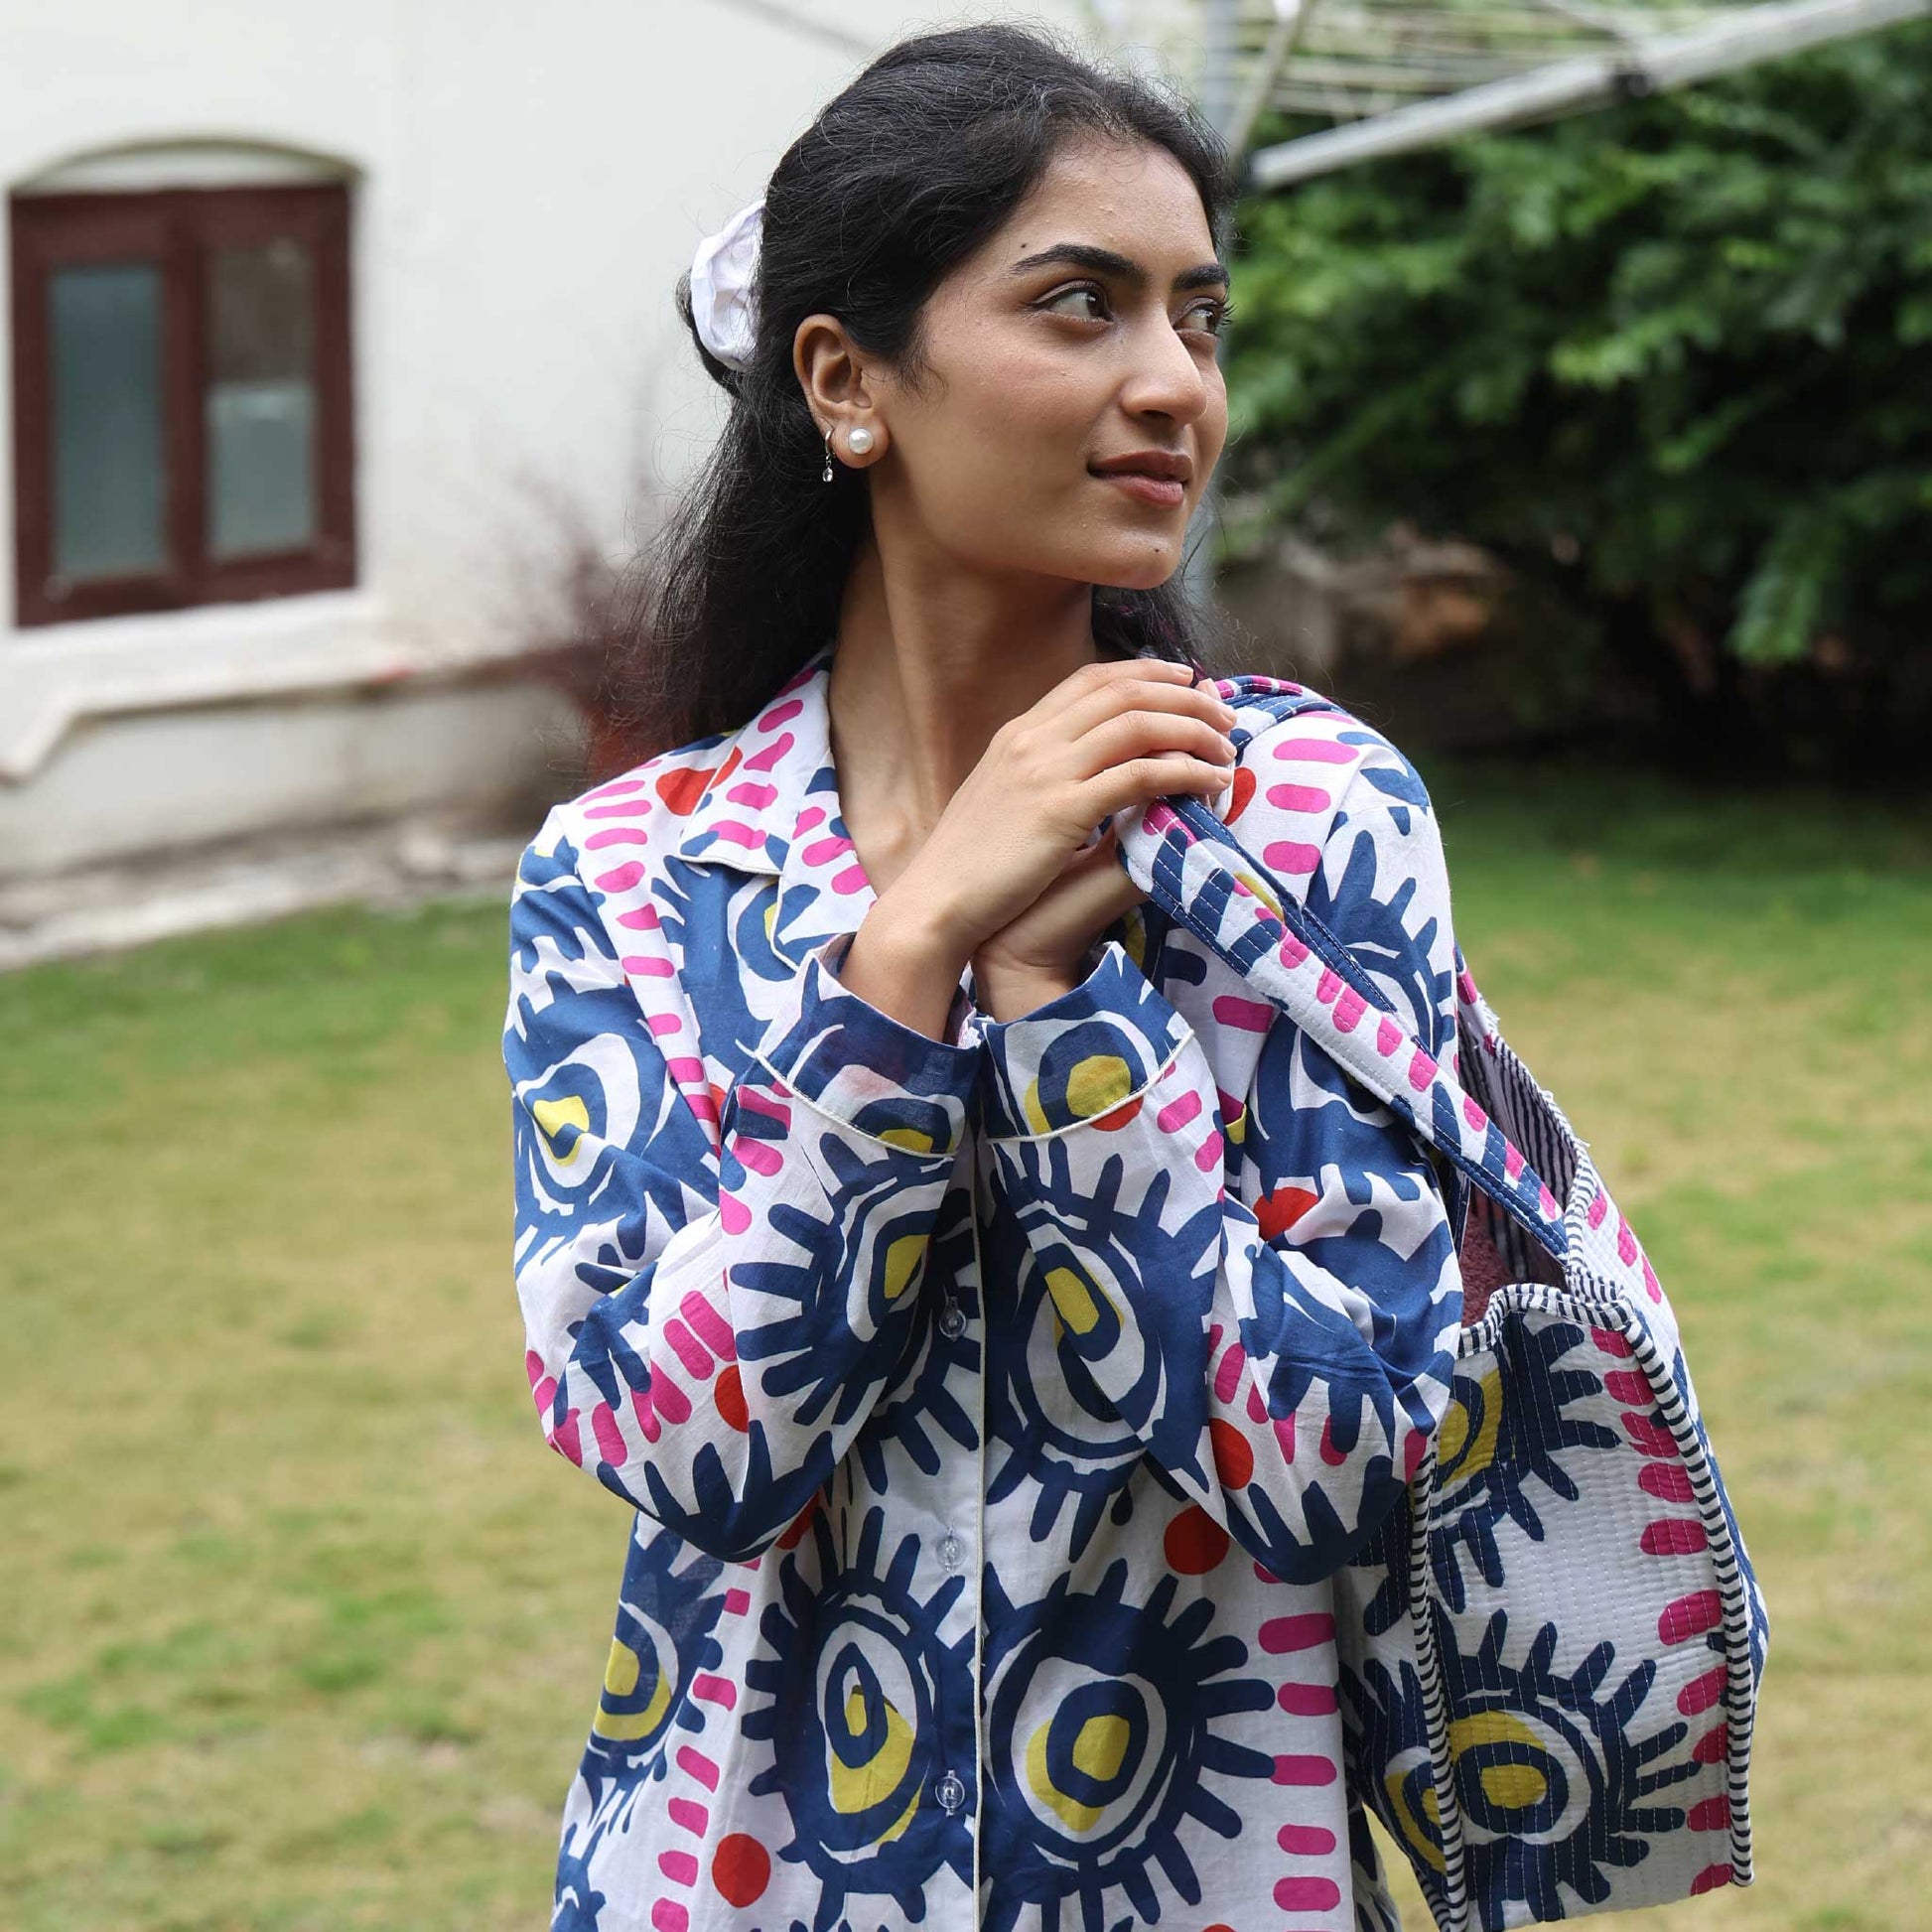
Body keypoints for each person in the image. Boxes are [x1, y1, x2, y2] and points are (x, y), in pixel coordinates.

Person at [503, 25, 1463, 1932]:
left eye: (1198, 316)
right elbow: (684, 1447)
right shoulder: (626, 873)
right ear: (845, 381)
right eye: (1080, 304)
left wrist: (1057, 1010)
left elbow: (1345, 1459)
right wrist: (903, 965)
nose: (1170, 380)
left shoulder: (1299, 820)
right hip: (742, 1878)